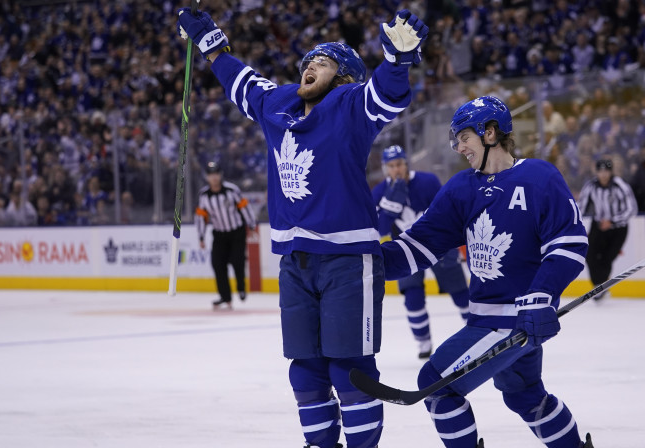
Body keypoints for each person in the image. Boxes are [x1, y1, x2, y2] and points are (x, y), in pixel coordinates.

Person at [177, 7, 428, 448]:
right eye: (309, 61)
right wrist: (211, 44)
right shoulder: (281, 104)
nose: (311, 65)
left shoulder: (349, 104)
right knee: (305, 370)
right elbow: (244, 83)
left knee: (348, 367)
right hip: (295, 262)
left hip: (348, 261)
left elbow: (386, 96)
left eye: (324, 62)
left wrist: (397, 62)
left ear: (344, 78)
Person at [380, 96, 593, 447]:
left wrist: (541, 297)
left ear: (490, 132)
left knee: (436, 384)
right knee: (524, 394)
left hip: (513, 320)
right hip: (490, 320)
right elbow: (421, 243)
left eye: (464, 137)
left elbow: (569, 244)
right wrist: (372, 262)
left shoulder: (539, 177)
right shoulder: (462, 188)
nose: (458, 146)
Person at [372, 145, 469, 358]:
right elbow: (378, 230)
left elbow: (446, 212)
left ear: (406, 163)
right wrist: (389, 207)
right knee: (413, 298)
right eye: (391, 166)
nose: (396, 169)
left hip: (440, 246)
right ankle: (424, 343)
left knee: (461, 293)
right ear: (385, 168)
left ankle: (478, 334)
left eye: (399, 164)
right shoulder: (379, 193)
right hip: (405, 252)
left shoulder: (428, 182)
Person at [196, 161, 256, 308]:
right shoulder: (204, 195)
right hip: (219, 234)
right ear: (207, 177)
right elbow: (201, 217)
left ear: (220, 175)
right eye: (211, 175)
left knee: (237, 261)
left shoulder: (231, 190)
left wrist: (252, 224)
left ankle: (241, 288)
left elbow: (244, 207)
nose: (214, 177)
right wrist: (201, 236)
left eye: (216, 174)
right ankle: (225, 297)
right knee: (217, 264)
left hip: (236, 232)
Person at [577, 159, 637, 301]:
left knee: (607, 258)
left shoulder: (620, 185)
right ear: (596, 172)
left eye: (606, 171)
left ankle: (601, 287)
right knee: (590, 255)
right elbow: (581, 207)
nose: (603, 175)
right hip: (598, 226)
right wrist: (574, 224)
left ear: (611, 172)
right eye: (600, 171)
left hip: (618, 228)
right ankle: (599, 286)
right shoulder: (591, 186)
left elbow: (631, 209)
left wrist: (612, 221)